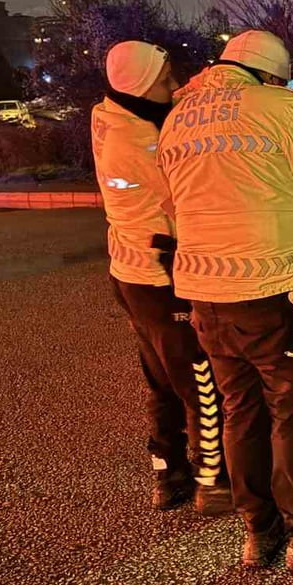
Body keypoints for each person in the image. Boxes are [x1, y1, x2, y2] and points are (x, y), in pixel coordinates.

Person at [157, 29, 293, 570]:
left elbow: (170, 202)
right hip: (271, 287)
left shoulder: (179, 117)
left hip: (204, 291)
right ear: (271, 74)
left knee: (239, 409)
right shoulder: (279, 105)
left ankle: (259, 531)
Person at [92, 41, 231, 514]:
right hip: (159, 275)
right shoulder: (136, 143)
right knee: (198, 378)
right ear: (142, 82)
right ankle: (213, 480)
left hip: (131, 274)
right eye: (167, 76)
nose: (174, 84)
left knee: (162, 380)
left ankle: (168, 474)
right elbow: (184, 198)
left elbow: (172, 102)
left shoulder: (117, 115)